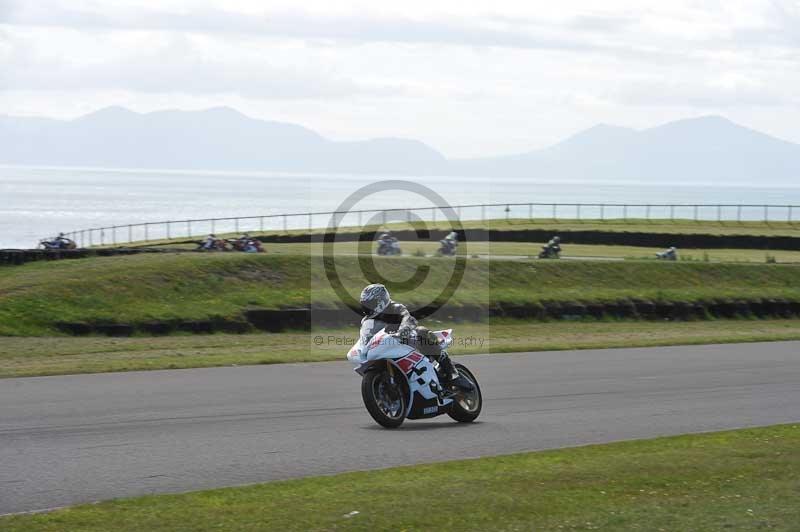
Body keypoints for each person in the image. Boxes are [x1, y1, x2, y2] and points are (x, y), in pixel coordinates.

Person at [358, 283, 473, 391]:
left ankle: (453, 374)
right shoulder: (367, 321)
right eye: (365, 305)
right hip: (386, 348)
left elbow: (406, 318)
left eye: (370, 304)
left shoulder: (395, 308)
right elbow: (366, 336)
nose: (367, 308)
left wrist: (403, 330)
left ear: (380, 301)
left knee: (422, 331)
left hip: (407, 340)